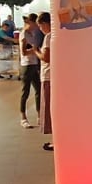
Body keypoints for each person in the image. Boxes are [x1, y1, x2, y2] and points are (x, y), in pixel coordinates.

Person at [19, 15, 41, 128]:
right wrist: (35, 50)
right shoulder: (24, 34)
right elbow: (24, 52)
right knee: (25, 92)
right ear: (31, 23)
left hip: (34, 64)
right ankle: (23, 117)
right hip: (26, 65)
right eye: (36, 23)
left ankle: (39, 115)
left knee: (38, 90)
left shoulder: (33, 33)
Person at [37, 12, 54, 151]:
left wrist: (36, 52)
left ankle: (56, 141)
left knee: (49, 109)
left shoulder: (49, 37)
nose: (40, 29)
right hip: (52, 76)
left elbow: (46, 57)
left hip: (48, 76)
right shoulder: (55, 36)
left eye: (40, 25)